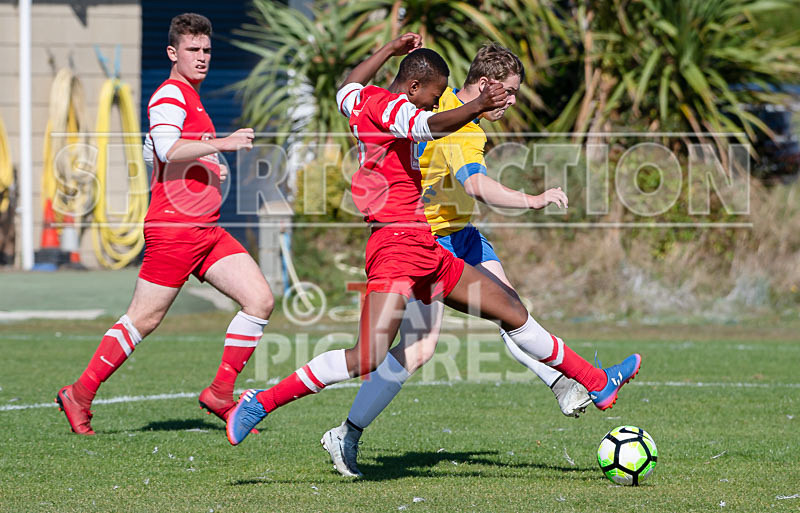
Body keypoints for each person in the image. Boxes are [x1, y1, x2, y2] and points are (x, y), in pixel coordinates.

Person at [225, 34, 640, 452]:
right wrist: (476, 106)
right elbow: (432, 125)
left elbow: (348, 84)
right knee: (367, 356)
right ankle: (261, 402)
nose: (434, 102)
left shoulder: (361, 100)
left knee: (512, 310)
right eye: (433, 94)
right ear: (411, 88)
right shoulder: (396, 111)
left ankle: (596, 382)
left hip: (425, 246)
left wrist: (389, 49)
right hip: (394, 248)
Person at [320, 42, 590, 477]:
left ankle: (563, 383)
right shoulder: (452, 120)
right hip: (428, 238)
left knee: (510, 305)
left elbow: (358, 87)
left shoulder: (449, 107)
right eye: (509, 92)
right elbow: (476, 184)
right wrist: (533, 199)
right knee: (418, 347)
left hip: (463, 232)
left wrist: (394, 51)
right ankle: (346, 433)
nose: (513, 101)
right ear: (485, 86)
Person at [55, 13, 273, 435]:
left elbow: (170, 147)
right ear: (173, 52)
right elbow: (170, 147)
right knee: (143, 319)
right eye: (193, 50)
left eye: (207, 50)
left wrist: (210, 161)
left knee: (260, 301)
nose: (203, 57)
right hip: (175, 229)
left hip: (206, 230)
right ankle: (79, 394)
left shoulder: (190, 97)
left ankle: (220, 394)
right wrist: (221, 144)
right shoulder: (170, 95)